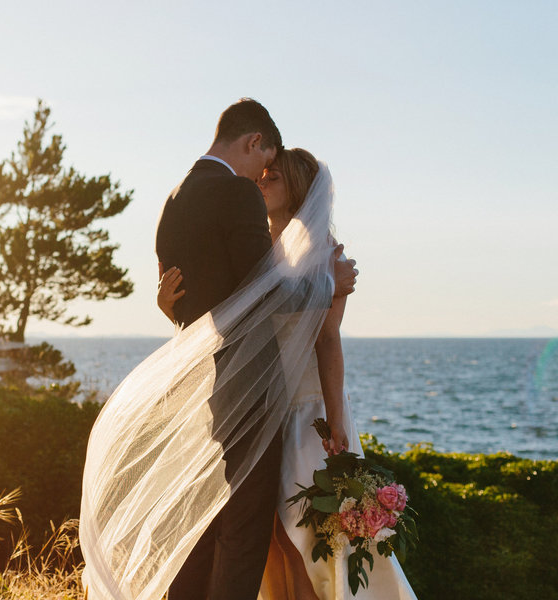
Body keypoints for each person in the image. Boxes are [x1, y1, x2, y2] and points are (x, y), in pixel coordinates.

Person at [77, 99, 357, 600]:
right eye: (263, 163)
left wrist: (169, 313)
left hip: (208, 384)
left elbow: (201, 300)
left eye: (271, 175)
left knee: (208, 516)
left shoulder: (174, 199)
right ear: (254, 143)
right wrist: (326, 283)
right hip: (250, 385)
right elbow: (260, 292)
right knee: (244, 528)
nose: (260, 177)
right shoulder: (235, 194)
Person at [158, 148, 417, 600]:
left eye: (272, 176)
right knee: (273, 540)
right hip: (260, 406)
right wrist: (170, 311)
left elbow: (328, 339)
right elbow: (226, 322)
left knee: (307, 538)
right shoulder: (258, 250)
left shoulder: (322, 255)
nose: (259, 181)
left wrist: (335, 417)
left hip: (307, 411)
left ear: (297, 190)